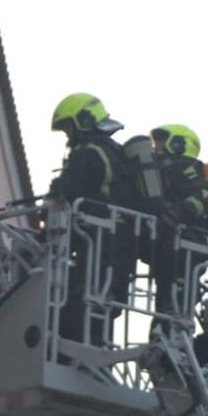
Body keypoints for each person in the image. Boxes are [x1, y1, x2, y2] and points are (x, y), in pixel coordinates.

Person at [49, 93, 132, 342]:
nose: (68, 137)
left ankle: (73, 352)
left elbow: (70, 190)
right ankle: (93, 352)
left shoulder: (87, 153)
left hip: (97, 241)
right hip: (122, 244)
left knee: (79, 300)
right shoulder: (117, 153)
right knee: (104, 305)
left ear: (83, 121)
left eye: (68, 129)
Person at [146, 124, 208, 318]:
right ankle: (161, 338)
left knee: (176, 301)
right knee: (166, 299)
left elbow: (204, 194)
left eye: (160, 141)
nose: (156, 146)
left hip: (189, 244)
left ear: (177, 144)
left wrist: (178, 214)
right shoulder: (162, 170)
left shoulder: (183, 166)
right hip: (171, 245)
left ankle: (170, 334)